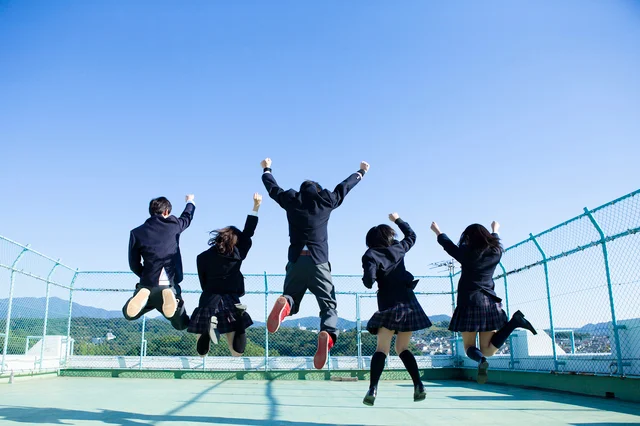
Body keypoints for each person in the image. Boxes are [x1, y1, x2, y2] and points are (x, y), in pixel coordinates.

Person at [261, 157, 370, 369]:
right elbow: (344, 187)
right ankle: (327, 334)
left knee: (291, 295)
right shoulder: (326, 200)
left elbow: (272, 188)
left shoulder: (291, 200)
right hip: (319, 260)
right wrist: (361, 172)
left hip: (296, 260)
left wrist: (267, 169)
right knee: (328, 304)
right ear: (319, 191)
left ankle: (286, 306)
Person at [431, 221, 537, 384]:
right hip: (489, 303)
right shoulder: (496, 252)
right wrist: (495, 230)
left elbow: (449, 245)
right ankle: (514, 322)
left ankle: (481, 362)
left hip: (469, 303)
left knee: (469, 348)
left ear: (468, 239)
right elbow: (495, 240)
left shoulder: (466, 253)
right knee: (487, 350)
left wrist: (437, 231)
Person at [361, 213, 430, 406]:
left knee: (382, 349)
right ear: (389, 237)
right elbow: (412, 236)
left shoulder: (370, 255)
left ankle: (373, 388)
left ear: (371, 241)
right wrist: (398, 219)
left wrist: (370, 275)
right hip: (408, 305)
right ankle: (418, 385)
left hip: (388, 306)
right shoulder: (399, 249)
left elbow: (368, 281)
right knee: (402, 348)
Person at [188, 193, 262, 356]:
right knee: (237, 353)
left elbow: (203, 282)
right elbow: (248, 233)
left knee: (202, 354)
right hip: (231, 301)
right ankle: (240, 319)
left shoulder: (202, 257)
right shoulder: (236, 254)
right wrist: (255, 207)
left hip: (208, 299)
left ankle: (207, 331)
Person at [124, 195, 195, 330]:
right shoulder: (174, 224)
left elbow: (133, 263)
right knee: (180, 323)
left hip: (147, 284)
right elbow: (187, 216)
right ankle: (174, 301)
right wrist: (190, 201)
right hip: (169, 284)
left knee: (129, 315)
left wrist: (145, 275)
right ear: (167, 212)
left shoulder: (136, 232)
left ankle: (140, 295)